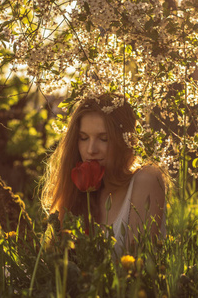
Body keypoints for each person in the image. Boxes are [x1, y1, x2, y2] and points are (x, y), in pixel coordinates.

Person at [41, 93, 166, 253]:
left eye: (104, 139)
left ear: (124, 140)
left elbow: (136, 265)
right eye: (84, 138)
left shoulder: (146, 179)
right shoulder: (78, 194)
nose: (91, 150)